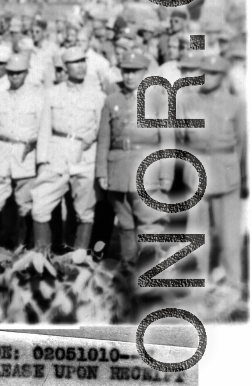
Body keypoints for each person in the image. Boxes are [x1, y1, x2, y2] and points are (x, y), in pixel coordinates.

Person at [95, 50, 173, 266]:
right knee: (125, 223)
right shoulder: (112, 100)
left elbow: (167, 139)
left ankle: (149, 271)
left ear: (144, 72)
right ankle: (128, 269)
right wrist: (101, 171)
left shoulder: (158, 98)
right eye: (125, 71)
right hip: (118, 170)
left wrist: (166, 174)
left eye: (134, 72)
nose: (129, 76)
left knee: (149, 223)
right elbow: (104, 139)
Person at [180, 54, 247, 287]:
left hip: (226, 171)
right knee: (198, 232)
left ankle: (232, 282)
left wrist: (244, 175)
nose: (208, 78)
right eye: (204, 72)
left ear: (224, 75)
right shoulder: (189, 101)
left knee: (229, 236)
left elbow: (242, 141)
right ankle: (200, 278)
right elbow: (181, 139)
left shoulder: (236, 104)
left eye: (215, 73)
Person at [31, 44, 106, 251]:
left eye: (83, 61)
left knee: (85, 211)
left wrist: (88, 139)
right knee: (40, 207)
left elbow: (101, 128)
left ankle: (78, 260)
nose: (80, 66)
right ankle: (42, 258)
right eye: (74, 63)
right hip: (57, 154)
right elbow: (44, 128)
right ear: (65, 67)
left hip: (84, 156)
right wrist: (41, 160)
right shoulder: (52, 93)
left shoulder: (97, 95)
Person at [0, 53, 43, 250]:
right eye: (11, 73)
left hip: (25, 155)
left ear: (26, 73)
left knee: (26, 204)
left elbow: (41, 130)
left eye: (19, 73)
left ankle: (22, 249)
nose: (14, 77)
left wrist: (40, 159)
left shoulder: (37, 99)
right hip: (1, 154)